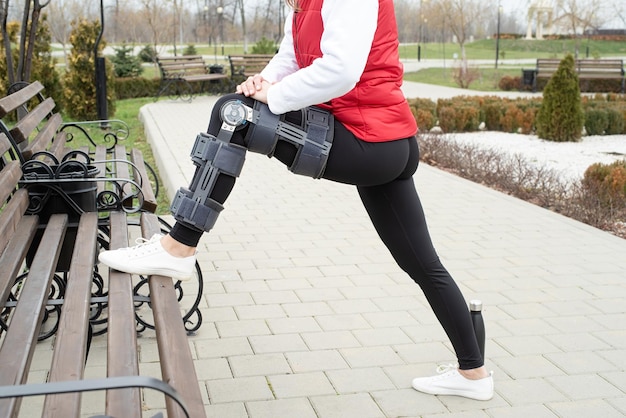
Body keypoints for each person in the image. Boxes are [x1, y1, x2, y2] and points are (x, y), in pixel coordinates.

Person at [99, 0, 494, 401]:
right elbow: (290, 54)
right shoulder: (305, 3)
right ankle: (473, 373)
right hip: (383, 140)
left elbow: (340, 69)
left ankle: (178, 247)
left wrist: (276, 95)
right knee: (423, 264)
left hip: (370, 141)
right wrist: (261, 83)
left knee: (232, 114)